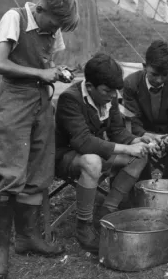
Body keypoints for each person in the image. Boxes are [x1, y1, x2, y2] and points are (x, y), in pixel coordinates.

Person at [0, 0, 80, 279]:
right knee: (10, 170)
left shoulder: (54, 28)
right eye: (55, 23)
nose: (56, 30)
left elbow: (45, 60)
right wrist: (41, 73)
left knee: (39, 168)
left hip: (41, 101)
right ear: (41, 10)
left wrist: (55, 69)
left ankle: (27, 237)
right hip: (15, 100)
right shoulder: (15, 18)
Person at [55, 53, 149, 254]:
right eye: (107, 90)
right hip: (64, 157)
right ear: (89, 87)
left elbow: (117, 131)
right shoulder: (69, 99)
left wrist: (136, 141)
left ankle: (107, 209)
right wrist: (126, 148)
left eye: (115, 90)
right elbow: (83, 141)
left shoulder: (109, 96)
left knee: (141, 154)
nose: (113, 95)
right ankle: (84, 226)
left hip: (94, 153)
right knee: (93, 162)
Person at [123, 40, 168, 180]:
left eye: (165, 75)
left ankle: (167, 185)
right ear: (145, 66)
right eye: (154, 74)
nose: (159, 80)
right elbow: (132, 121)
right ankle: (142, 188)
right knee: (137, 152)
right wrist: (147, 137)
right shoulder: (131, 83)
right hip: (142, 136)